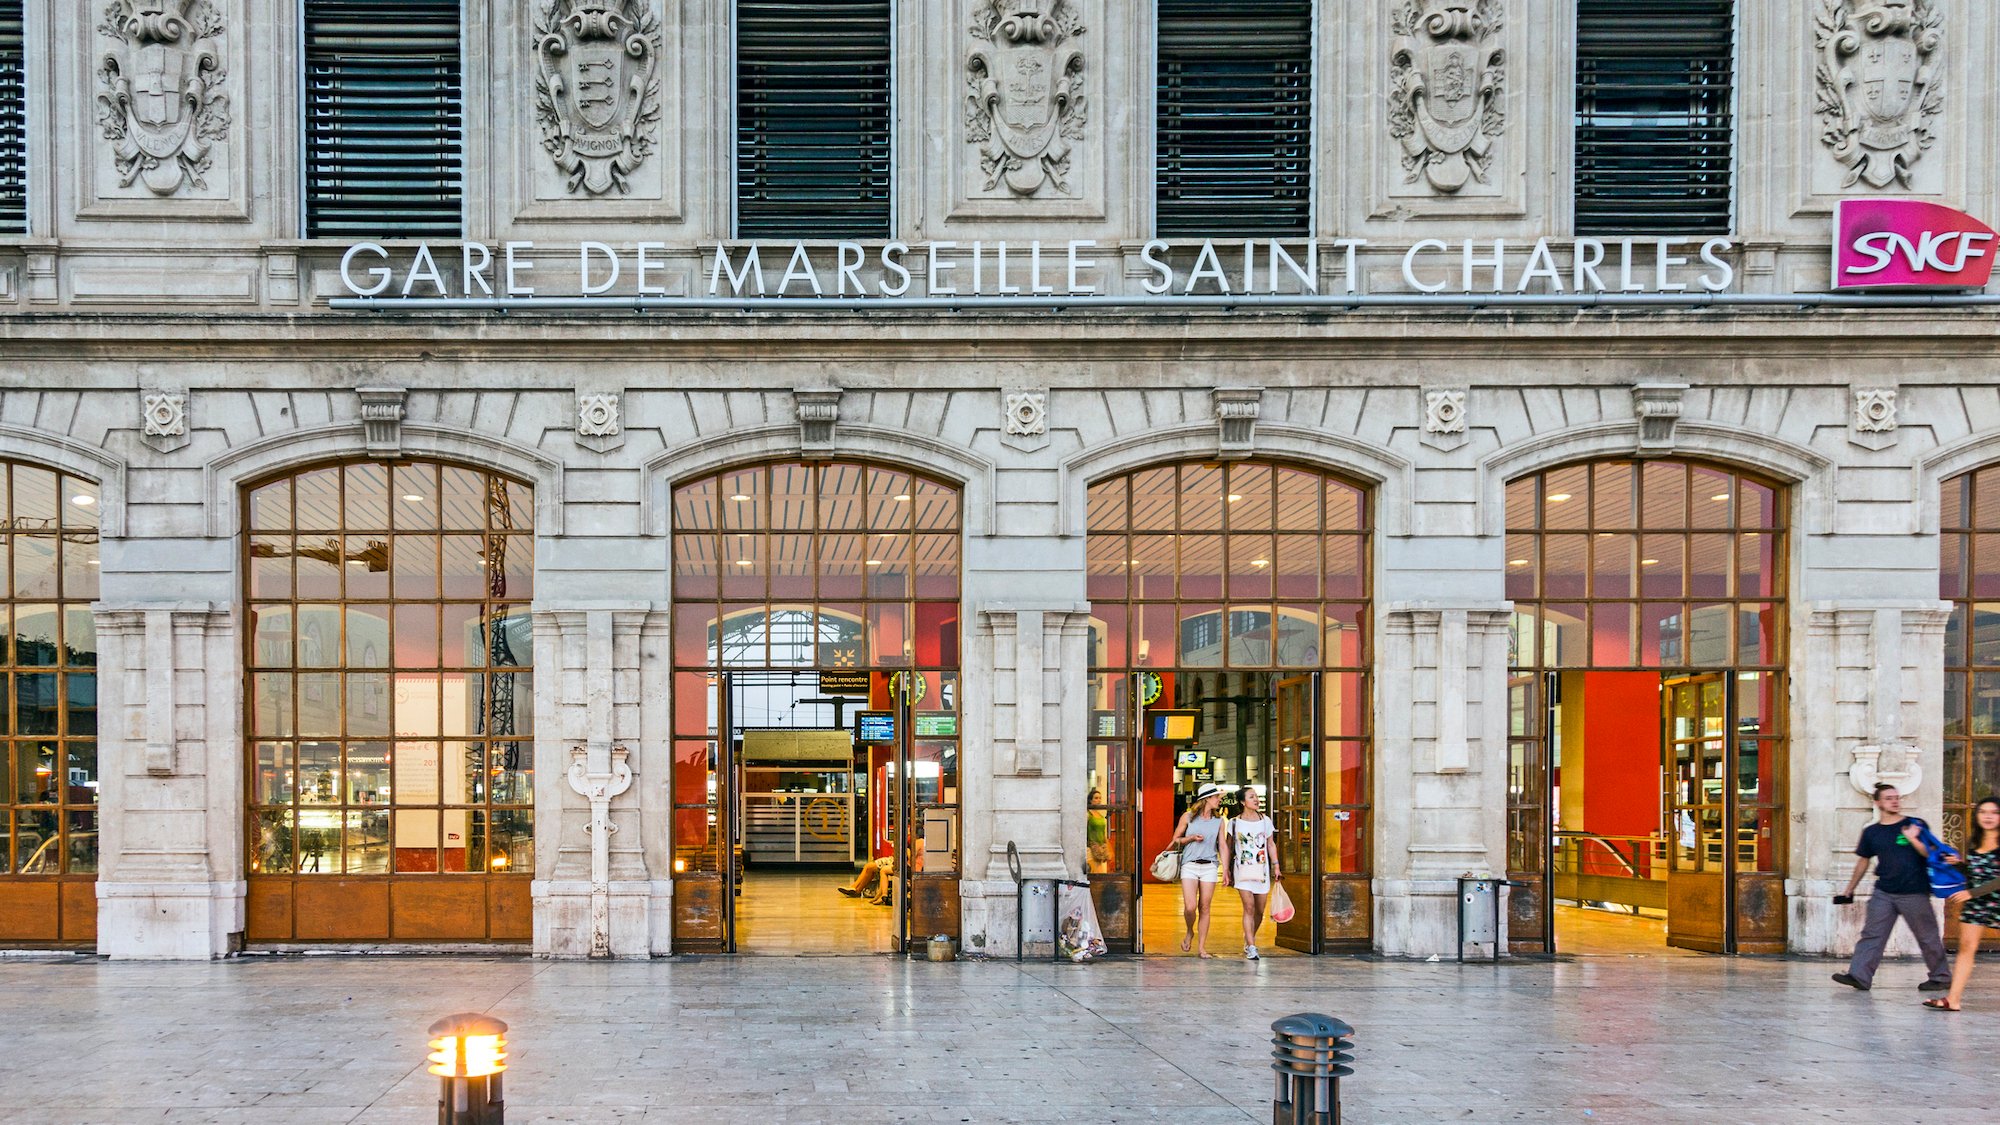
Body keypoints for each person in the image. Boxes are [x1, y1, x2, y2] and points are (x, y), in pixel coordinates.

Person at [1832, 783, 1952, 992]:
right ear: (1877, 802)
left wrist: (1912, 838)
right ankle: (1859, 976)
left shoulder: (1915, 824)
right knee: (1872, 934)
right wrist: (1849, 889)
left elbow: (1929, 853)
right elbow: (1863, 861)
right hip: (1884, 891)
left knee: (1927, 936)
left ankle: (1940, 977)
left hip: (1914, 891)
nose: (1894, 801)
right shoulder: (1872, 832)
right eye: (1888, 798)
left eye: (1896, 797)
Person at [1926, 796, 2000, 1012]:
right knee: (1966, 948)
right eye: (1983, 812)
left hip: (1988, 898)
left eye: (1994, 812)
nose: (1988, 816)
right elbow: (1976, 874)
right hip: (1977, 903)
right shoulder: (1975, 842)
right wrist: (1959, 866)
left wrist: (1971, 893)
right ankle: (1953, 999)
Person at [1220, 785, 1281, 961]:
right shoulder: (1234, 822)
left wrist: (1276, 865)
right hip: (1242, 871)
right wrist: (1226, 870)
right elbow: (1229, 848)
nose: (1256, 799)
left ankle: (1248, 940)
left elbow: (1270, 844)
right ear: (1242, 802)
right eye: (1251, 797)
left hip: (1261, 871)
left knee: (1260, 911)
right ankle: (1252, 946)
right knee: (1249, 907)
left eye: (1256, 797)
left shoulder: (1265, 820)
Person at [1169, 783, 1226, 958]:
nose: (1219, 800)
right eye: (1216, 797)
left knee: (1205, 907)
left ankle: (1201, 948)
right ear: (1207, 799)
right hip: (1190, 864)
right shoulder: (1188, 817)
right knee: (1190, 906)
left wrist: (1226, 870)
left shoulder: (1219, 821)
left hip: (1209, 865)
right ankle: (1189, 931)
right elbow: (1175, 839)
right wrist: (1192, 838)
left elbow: (1222, 845)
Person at [1087, 788, 1110, 873]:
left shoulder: (1100, 814)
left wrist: (1107, 844)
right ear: (1090, 800)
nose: (1098, 800)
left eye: (1100, 798)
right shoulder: (1088, 814)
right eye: (1096, 798)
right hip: (1091, 847)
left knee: (1102, 871)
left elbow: (1103, 832)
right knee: (1094, 871)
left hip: (1101, 847)